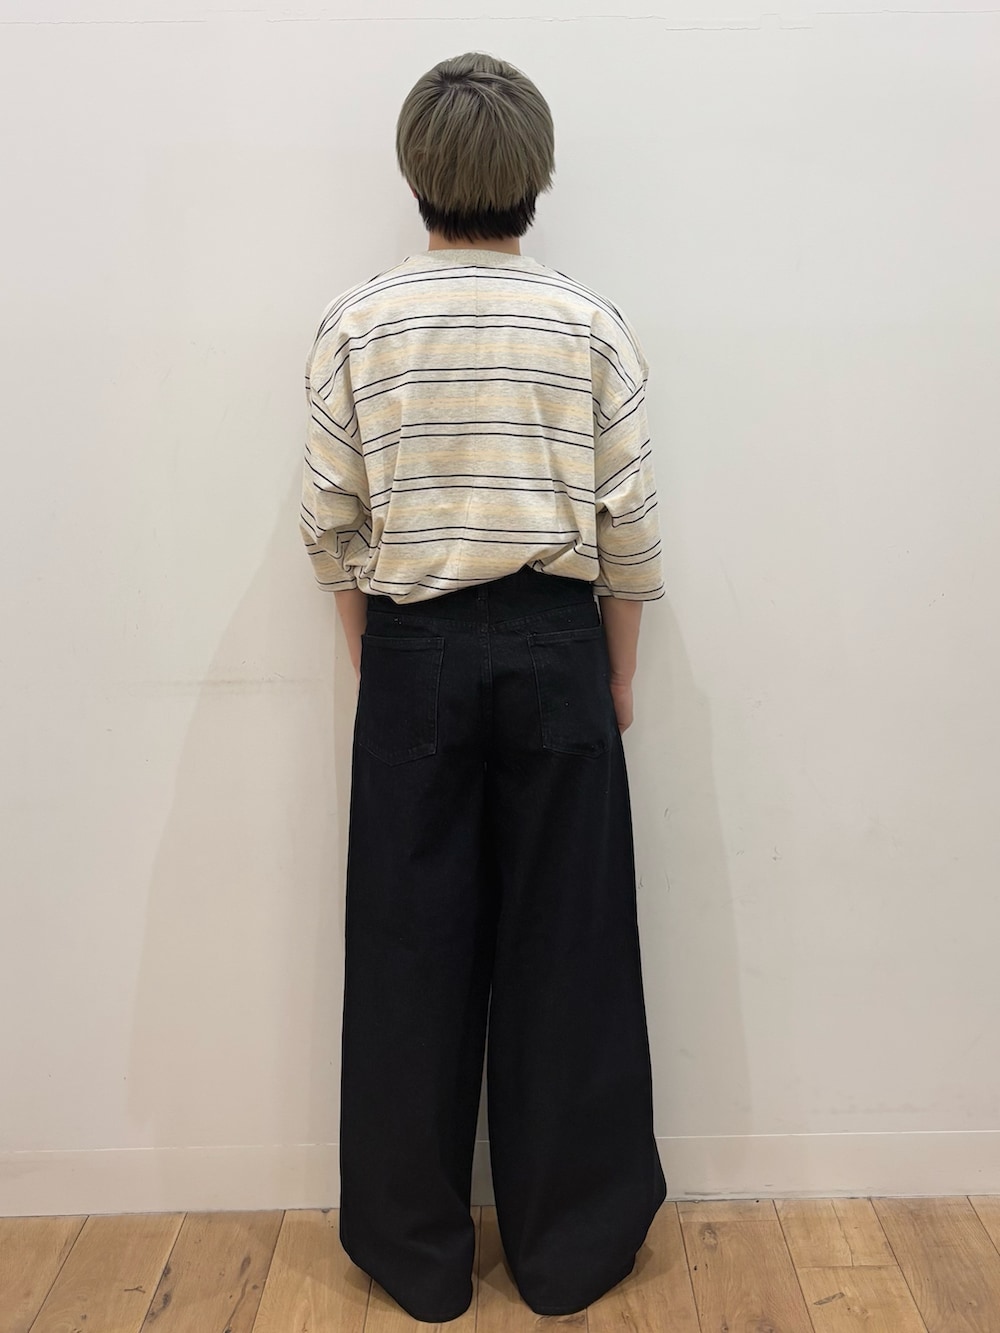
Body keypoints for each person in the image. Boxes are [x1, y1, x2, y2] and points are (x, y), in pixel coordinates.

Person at [299, 51, 668, 1323]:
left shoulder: (358, 325)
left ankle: (416, 1255)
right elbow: (630, 526)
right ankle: (569, 1249)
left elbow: (331, 522)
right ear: (534, 173)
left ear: (416, 170)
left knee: (409, 952)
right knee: (568, 946)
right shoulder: (587, 325)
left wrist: (377, 652)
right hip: (560, 645)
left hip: (413, 647)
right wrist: (615, 675)